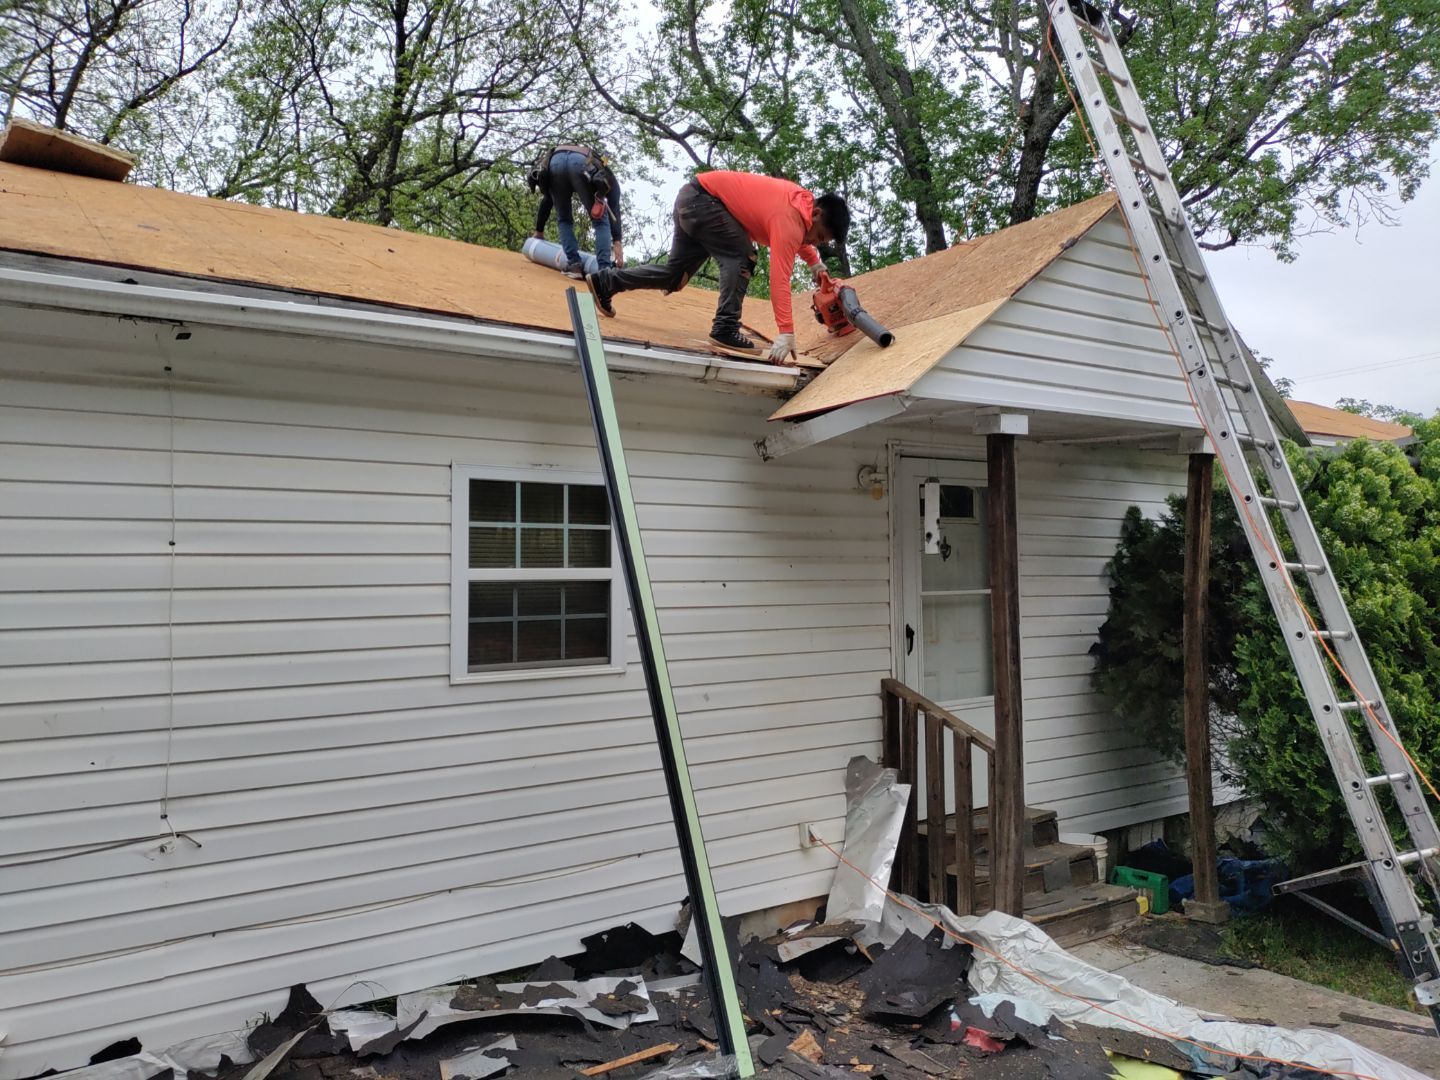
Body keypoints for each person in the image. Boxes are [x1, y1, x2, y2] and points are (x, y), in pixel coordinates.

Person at [585, 171, 850, 363]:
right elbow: (780, 278)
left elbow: (800, 236)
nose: (814, 242)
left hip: (693, 199)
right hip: (705, 202)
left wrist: (815, 263)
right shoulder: (790, 219)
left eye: (820, 242)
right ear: (816, 214)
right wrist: (786, 332)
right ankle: (725, 327)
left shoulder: (800, 203)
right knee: (743, 257)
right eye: (819, 237)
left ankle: (606, 282)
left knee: (674, 276)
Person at [530, 142, 623, 278]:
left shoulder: (552, 160)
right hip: (581, 164)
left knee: (564, 219)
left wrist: (539, 231)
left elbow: (547, 199)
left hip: (555, 162)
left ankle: (574, 265)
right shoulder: (604, 173)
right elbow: (614, 204)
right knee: (600, 222)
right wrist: (617, 240)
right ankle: (604, 271)